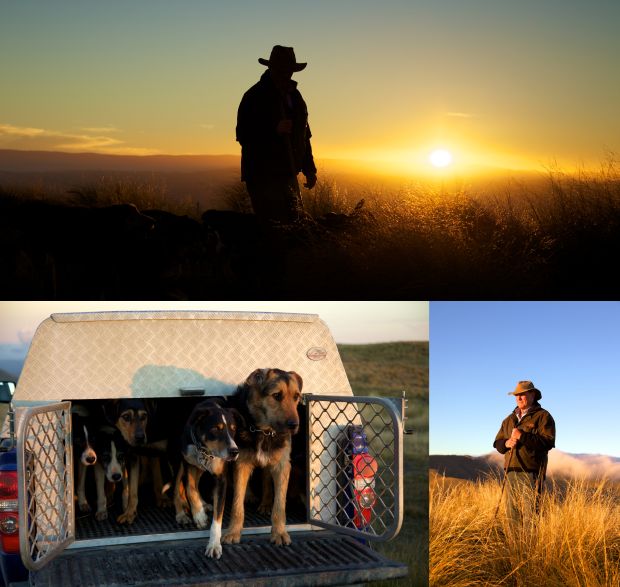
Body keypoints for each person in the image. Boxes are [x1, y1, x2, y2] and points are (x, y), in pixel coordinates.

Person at [236, 45, 317, 223]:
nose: (286, 74)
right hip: (262, 175)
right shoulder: (254, 96)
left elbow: (304, 136)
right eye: (282, 70)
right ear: (271, 68)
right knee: (274, 228)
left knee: (296, 224)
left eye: (289, 70)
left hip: (288, 172)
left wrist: (309, 169)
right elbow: (243, 134)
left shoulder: (295, 97)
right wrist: (274, 129)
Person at [493, 380, 555, 528]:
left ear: (533, 395)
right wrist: (506, 443)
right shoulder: (509, 420)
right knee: (511, 514)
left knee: (531, 514)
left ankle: (530, 549)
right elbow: (497, 443)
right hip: (510, 472)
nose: (519, 398)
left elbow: (548, 442)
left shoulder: (543, 416)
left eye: (522, 394)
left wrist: (522, 436)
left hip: (531, 473)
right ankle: (514, 548)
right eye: (516, 395)